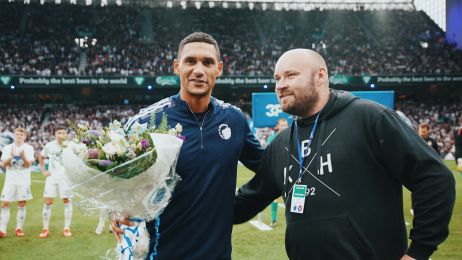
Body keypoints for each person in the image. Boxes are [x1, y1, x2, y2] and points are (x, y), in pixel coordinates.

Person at [234, 49, 455, 260]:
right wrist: (201, 206)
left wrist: (418, 252)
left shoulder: (370, 118)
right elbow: (249, 199)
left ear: (320, 76)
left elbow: (434, 178)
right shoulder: (281, 143)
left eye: (291, 75)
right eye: (277, 78)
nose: (281, 85)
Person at [114, 32, 264, 259]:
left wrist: (243, 204)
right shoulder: (146, 122)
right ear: (177, 67)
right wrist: (114, 209)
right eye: (190, 61)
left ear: (219, 69)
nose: (199, 70)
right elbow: (115, 176)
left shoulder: (235, 120)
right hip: (162, 254)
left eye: (208, 62)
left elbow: (269, 167)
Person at [38, 126, 73, 238]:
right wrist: (44, 170)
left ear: (66, 134)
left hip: (65, 178)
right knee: (48, 202)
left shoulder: (70, 146)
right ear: (55, 134)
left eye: (63, 132)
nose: (61, 134)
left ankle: (67, 228)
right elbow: (41, 157)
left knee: (66, 201)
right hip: (52, 177)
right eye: (59, 132)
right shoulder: (49, 145)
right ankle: (45, 229)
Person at [0, 127, 35, 238]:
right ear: (14, 135)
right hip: (10, 181)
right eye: (17, 134)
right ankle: (2, 229)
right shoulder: (7, 148)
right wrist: (11, 156)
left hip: (23, 181)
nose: (19, 136)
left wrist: (23, 156)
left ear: (25, 136)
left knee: (21, 204)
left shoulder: (29, 148)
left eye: (21, 134)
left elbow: (28, 165)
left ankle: (19, 228)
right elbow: (3, 165)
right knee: (5, 203)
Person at [266, 117, 288, 227]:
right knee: (274, 197)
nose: (284, 127)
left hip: (289, 170)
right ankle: (274, 220)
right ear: (277, 126)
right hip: (276, 169)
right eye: (282, 125)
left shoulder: (292, 136)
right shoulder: (272, 139)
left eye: (286, 125)